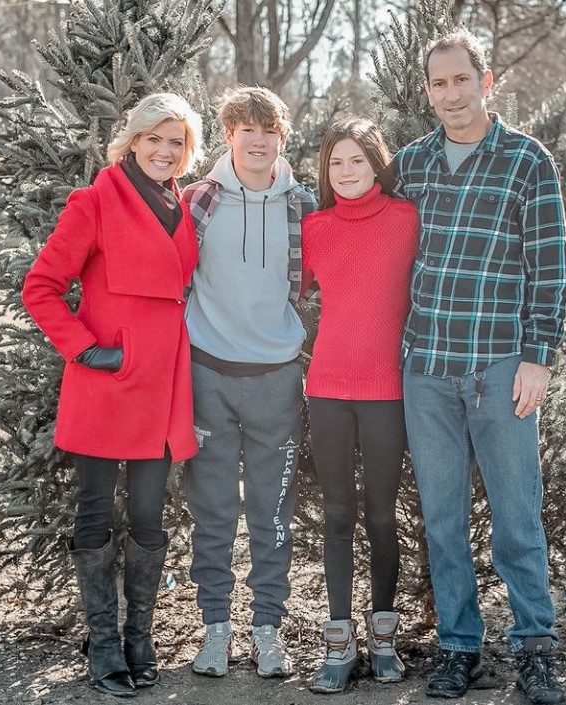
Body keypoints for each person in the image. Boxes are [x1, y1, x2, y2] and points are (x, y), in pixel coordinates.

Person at [392, 30, 566, 705]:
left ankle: (534, 649)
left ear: (485, 80)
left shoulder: (526, 160)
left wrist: (538, 358)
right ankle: (458, 647)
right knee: (442, 518)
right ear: (428, 91)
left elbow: (551, 266)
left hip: (500, 367)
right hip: (427, 369)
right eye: (438, 84)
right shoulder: (409, 164)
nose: (450, 94)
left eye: (460, 80)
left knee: (515, 517)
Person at [22, 93, 203, 698]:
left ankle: (139, 639)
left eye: (176, 141)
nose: (165, 150)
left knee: (150, 517)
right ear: (131, 142)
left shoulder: (182, 203)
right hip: (108, 380)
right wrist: (86, 349)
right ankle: (103, 645)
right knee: (97, 512)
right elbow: (42, 286)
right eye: (155, 139)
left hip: (163, 384)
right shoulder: (95, 200)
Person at [181, 85, 316, 679]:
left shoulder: (302, 206)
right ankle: (215, 630)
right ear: (229, 136)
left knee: (272, 512)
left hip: (277, 379)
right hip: (207, 372)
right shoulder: (196, 203)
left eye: (269, 131)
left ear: (281, 140)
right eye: (246, 130)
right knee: (212, 511)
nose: (258, 141)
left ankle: (267, 629)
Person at [300, 116, 418, 694]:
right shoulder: (314, 227)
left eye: (357, 161)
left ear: (377, 163)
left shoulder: (407, 220)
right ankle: (339, 642)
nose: (346, 173)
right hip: (326, 389)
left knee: (379, 515)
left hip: (388, 393)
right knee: (338, 516)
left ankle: (384, 640)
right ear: (325, 170)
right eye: (335, 163)